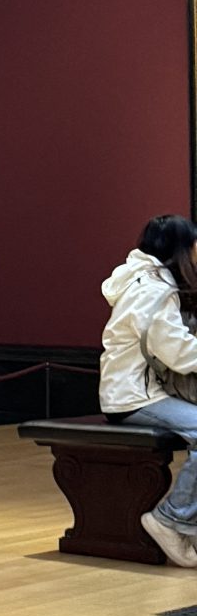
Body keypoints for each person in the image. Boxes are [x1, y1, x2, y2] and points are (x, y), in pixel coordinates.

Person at [99, 214, 197, 567]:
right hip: (134, 397)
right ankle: (170, 519)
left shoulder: (142, 278)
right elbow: (176, 351)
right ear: (180, 249)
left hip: (134, 390)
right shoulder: (153, 289)